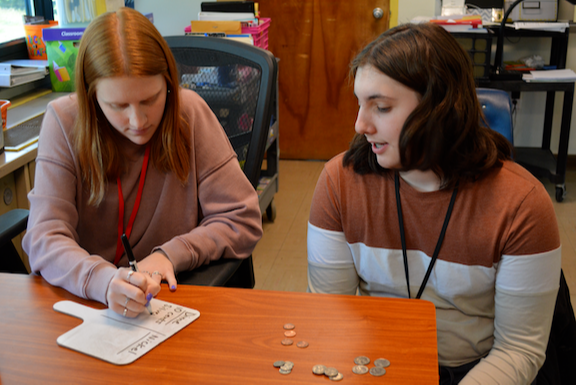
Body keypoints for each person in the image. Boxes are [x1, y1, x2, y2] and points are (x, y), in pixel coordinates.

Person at [307, 23, 561, 384]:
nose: (360, 124)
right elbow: (329, 314)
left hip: (475, 371)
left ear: (439, 108)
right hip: (370, 365)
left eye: (380, 107)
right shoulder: (339, 182)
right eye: (360, 104)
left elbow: (518, 350)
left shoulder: (521, 205)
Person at [23, 8, 262, 318]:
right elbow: (44, 238)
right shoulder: (64, 122)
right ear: (92, 98)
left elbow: (241, 218)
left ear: (168, 84)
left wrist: (170, 255)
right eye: (118, 106)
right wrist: (102, 280)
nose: (138, 121)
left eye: (150, 99)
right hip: (90, 305)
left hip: (172, 301)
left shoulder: (189, 114)